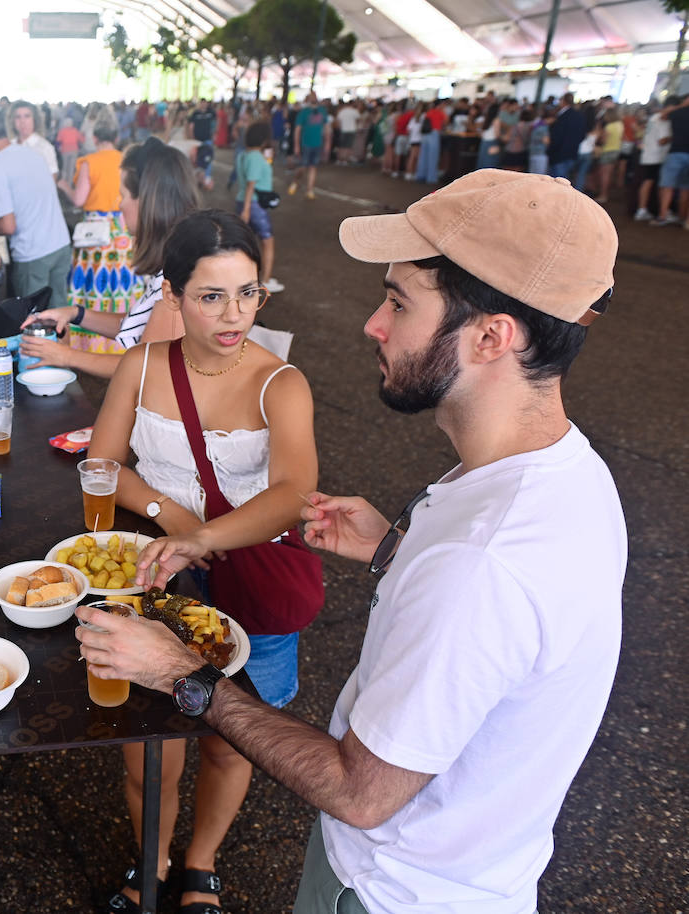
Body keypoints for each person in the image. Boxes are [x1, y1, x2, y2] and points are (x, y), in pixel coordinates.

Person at [78, 170, 624, 914]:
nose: (371, 324)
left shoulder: (484, 562)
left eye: (397, 302)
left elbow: (360, 793)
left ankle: (193, 861)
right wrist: (399, 549)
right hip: (466, 873)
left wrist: (183, 674)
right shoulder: (563, 477)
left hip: (388, 890)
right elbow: (502, 626)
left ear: (493, 335)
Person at [84, 209, 317, 914]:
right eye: (211, 295)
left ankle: (200, 861)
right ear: (174, 294)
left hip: (257, 588)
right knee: (151, 744)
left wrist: (206, 539)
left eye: (248, 293)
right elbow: (101, 465)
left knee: (231, 741)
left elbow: (291, 495)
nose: (233, 313)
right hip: (160, 579)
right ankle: (151, 856)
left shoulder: (283, 384)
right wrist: (177, 521)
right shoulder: (143, 363)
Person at [20, 137, 200, 378]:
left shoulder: (179, 275)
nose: (118, 204)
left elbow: (147, 369)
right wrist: (75, 314)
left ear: (147, 201)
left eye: (123, 195)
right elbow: (139, 327)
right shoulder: (178, 258)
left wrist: (66, 356)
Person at [0, 102, 71, 309]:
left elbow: (8, 227)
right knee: (61, 314)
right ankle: (64, 343)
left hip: (34, 254)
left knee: (34, 321)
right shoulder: (31, 154)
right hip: (60, 244)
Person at [59, 109, 135, 355]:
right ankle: (127, 336)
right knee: (121, 284)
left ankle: (91, 342)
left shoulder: (89, 163)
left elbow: (79, 200)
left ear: (95, 136)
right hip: (123, 230)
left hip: (95, 232)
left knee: (93, 285)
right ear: (116, 135)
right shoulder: (128, 161)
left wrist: (63, 186)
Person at [234, 121, 285, 294]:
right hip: (254, 204)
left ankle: (244, 279)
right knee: (267, 241)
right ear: (263, 138)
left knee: (247, 243)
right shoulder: (256, 157)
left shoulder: (244, 154)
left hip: (243, 200)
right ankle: (266, 280)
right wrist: (247, 209)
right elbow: (251, 183)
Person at [634, 99, 674, 221]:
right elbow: (662, 141)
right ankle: (659, 211)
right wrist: (675, 137)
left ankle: (643, 209)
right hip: (657, 156)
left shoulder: (654, 118)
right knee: (656, 184)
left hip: (649, 154)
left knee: (648, 182)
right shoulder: (663, 122)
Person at [654, 95, 689, 226]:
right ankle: (682, 218)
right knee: (685, 189)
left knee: (667, 186)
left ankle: (663, 216)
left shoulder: (677, 112)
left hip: (675, 152)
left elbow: (662, 116)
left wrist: (682, 105)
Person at [288, 93, 329, 199]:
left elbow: (326, 127)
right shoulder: (303, 112)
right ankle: (295, 181)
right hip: (305, 144)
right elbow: (297, 130)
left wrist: (327, 143)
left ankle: (310, 190)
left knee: (313, 167)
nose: (314, 98)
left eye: (315, 96)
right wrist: (296, 145)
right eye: (311, 96)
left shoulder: (322, 111)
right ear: (308, 99)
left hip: (317, 144)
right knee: (302, 167)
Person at [11, 99, 59, 179]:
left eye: (27, 116)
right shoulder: (10, 145)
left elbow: (52, 179)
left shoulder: (44, 147)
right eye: (18, 117)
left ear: (35, 119)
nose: (22, 121)